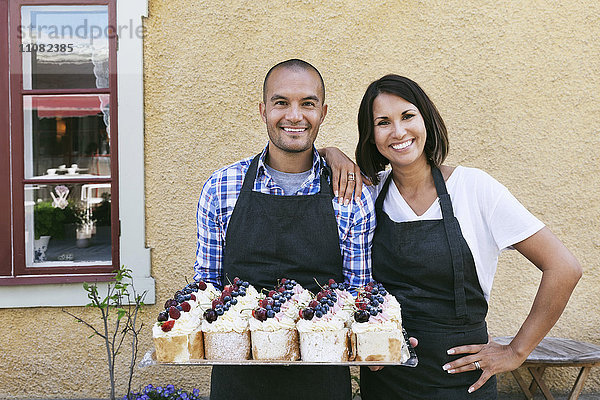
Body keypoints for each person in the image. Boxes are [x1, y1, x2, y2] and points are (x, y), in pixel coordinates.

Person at [322, 74, 582, 399]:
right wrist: (330, 152)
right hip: (386, 382)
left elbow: (564, 267)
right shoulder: (369, 196)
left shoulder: (474, 188)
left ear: (426, 120)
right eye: (383, 122)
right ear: (372, 136)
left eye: (407, 116)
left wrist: (516, 352)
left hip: (462, 384)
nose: (399, 131)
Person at [192, 59, 376, 400]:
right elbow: (207, 285)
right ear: (263, 111)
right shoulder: (221, 187)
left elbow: (357, 291)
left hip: (322, 380)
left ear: (323, 112)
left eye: (307, 103)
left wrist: (376, 337)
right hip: (239, 380)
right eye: (281, 103)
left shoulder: (350, 196)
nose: (294, 116)